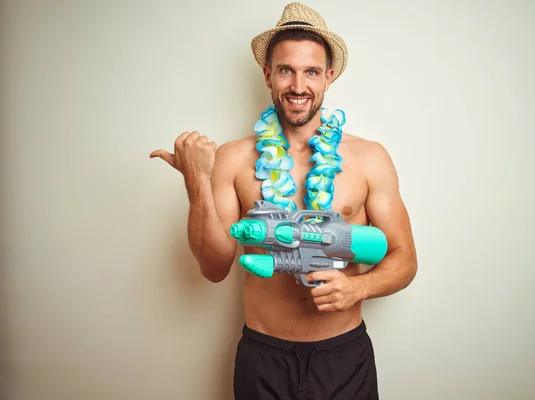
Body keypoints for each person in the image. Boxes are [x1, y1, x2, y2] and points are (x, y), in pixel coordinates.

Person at [150, 2, 417, 399]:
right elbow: (213, 267)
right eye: (286, 70)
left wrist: (357, 289)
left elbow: (405, 259)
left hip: (344, 356)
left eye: (311, 71)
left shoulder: (368, 158)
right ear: (267, 74)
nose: (297, 86)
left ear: (329, 76)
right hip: (264, 357)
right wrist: (197, 182)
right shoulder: (234, 159)